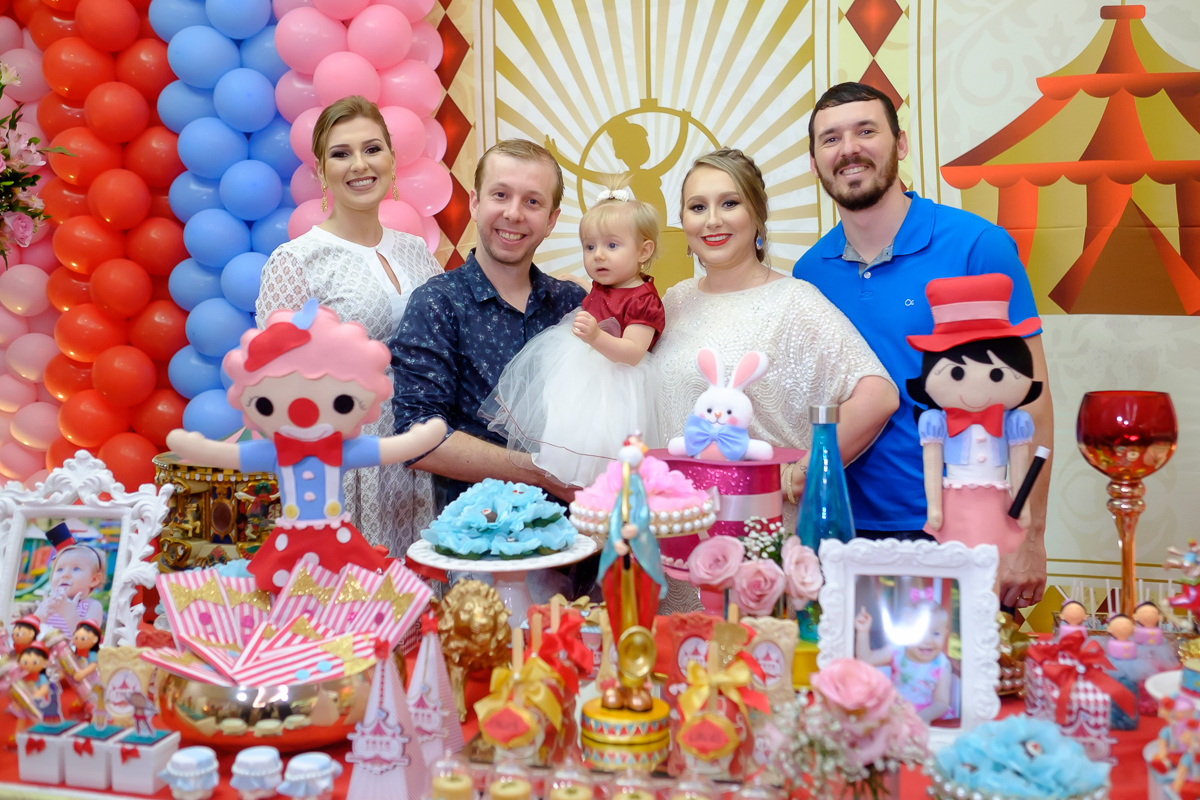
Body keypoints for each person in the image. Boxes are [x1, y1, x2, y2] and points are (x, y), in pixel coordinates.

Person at [792, 82, 1053, 610]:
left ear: (901, 143)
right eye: (831, 139)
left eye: (866, 131)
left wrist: (1030, 534)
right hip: (839, 532)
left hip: (959, 531)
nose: (849, 149)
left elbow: (1034, 402)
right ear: (815, 162)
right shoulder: (808, 274)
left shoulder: (976, 245)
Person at [654, 147, 897, 611]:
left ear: (757, 215)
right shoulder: (674, 302)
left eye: (729, 203)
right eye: (697, 206)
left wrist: (802, 474)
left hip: (761, 543)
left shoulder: (794, 301)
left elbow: (878, 394)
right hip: (680, 543)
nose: (712, 220)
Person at [256, 95, 443, 558]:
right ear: (322, 172)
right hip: (349, 461)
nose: (360, 164)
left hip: (428, 447)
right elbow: (276, 384)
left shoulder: (416, 251)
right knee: (361, 588)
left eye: (372, 149)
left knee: (427, 581)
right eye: (341, 154)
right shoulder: (297, 261)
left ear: (392, 160)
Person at [166, 302, 448, 593]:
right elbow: (231, 455)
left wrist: (420, 438)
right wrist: (197, 448)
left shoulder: (343, 450)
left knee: (344, 594)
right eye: (266, 404)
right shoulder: (275, 453)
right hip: (290, 542)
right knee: (286, 596)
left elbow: (392, 449)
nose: (305, 413)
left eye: (342, 402)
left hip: (336, 539)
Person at [390, 139, 587, 511]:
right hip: (479, 535)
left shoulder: (572, 303)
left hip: (580, 535)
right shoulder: (437, 303)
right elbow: (418, 438)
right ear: (475, 203)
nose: (513, 213)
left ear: (552, 220)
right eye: (500, 195)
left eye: (532, 201)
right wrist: (540, 473)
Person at [482, 175, 664, 487]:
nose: (598, 255)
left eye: (611, 245)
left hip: (617, 383)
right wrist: (581, 284)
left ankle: (600, 486)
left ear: (644, 251)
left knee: (604, 440)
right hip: (582, 372)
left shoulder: (643, 301)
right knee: (567, 421)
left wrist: (597, 337)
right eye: (589, 246)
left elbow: (633, 352)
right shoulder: (605, 284)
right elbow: (603, 301)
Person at [854, 599, 953, 724]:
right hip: (895, 711)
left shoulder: (942, 664)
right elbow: (866, 659)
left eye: (936, 633)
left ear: (945, 634)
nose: (928, 640)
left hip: (926, 715)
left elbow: (941, 702)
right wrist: (863, 631)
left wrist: (921, 718)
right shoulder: (898, 651)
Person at [35, 523, 105, 635]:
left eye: (76, 569)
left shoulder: (92, 606)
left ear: (94, 580)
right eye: (60, 569)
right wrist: (42, 615)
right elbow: (30, 632)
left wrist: (69, 612)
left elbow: (86, 638)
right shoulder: (48, 604)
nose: (65, 575)